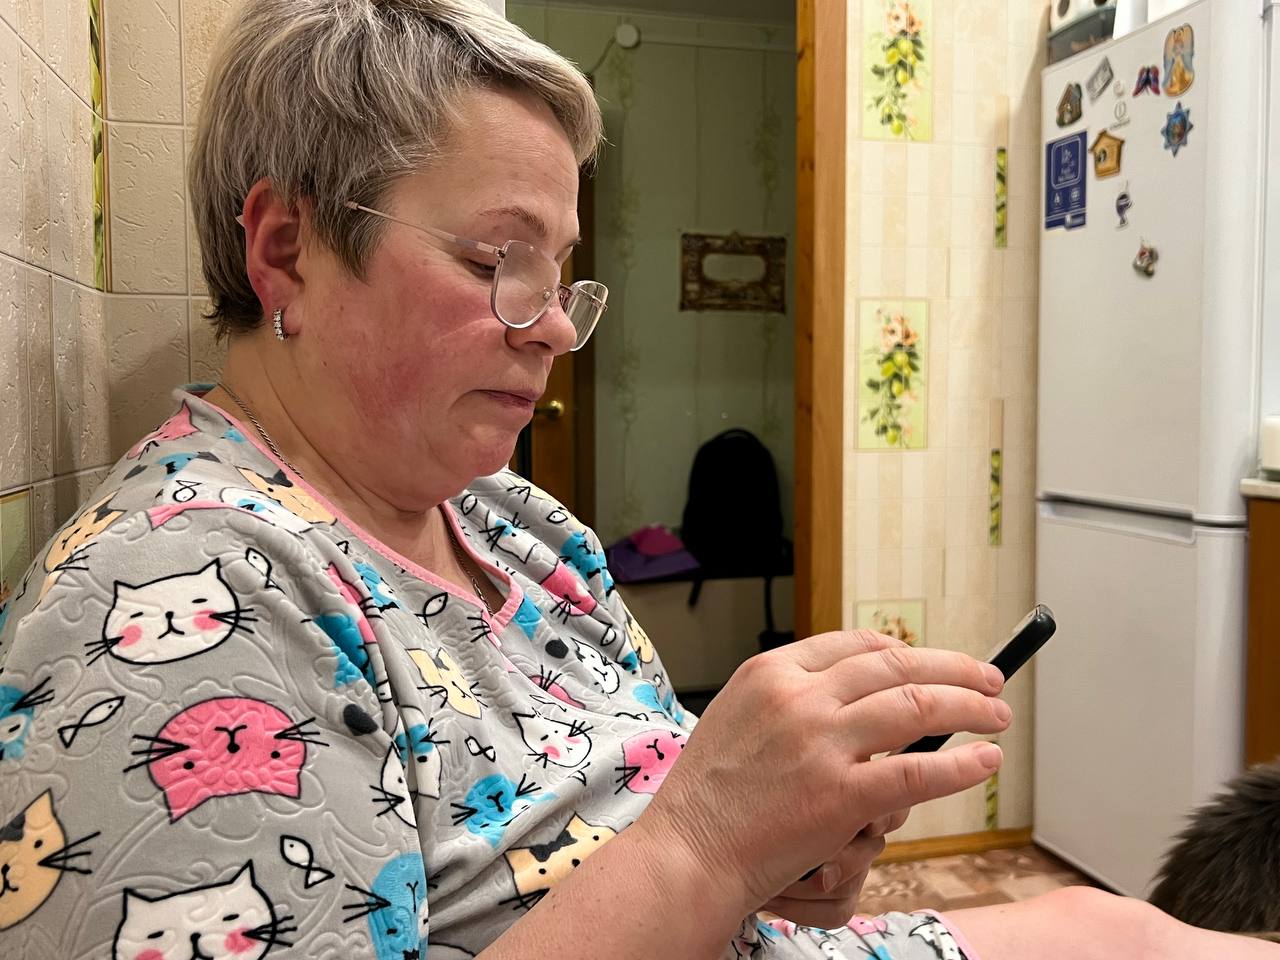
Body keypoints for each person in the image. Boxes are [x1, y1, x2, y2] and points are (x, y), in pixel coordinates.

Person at [0, 1, 1275, 958]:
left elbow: (636, 825)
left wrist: (781, 847)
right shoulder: (180, 599)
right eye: (497, 261)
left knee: (1115, 927)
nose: (554, 325)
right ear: (286, 249)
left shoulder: (520, 528)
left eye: (560, 274)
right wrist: (706, 838)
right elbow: (673, 841)